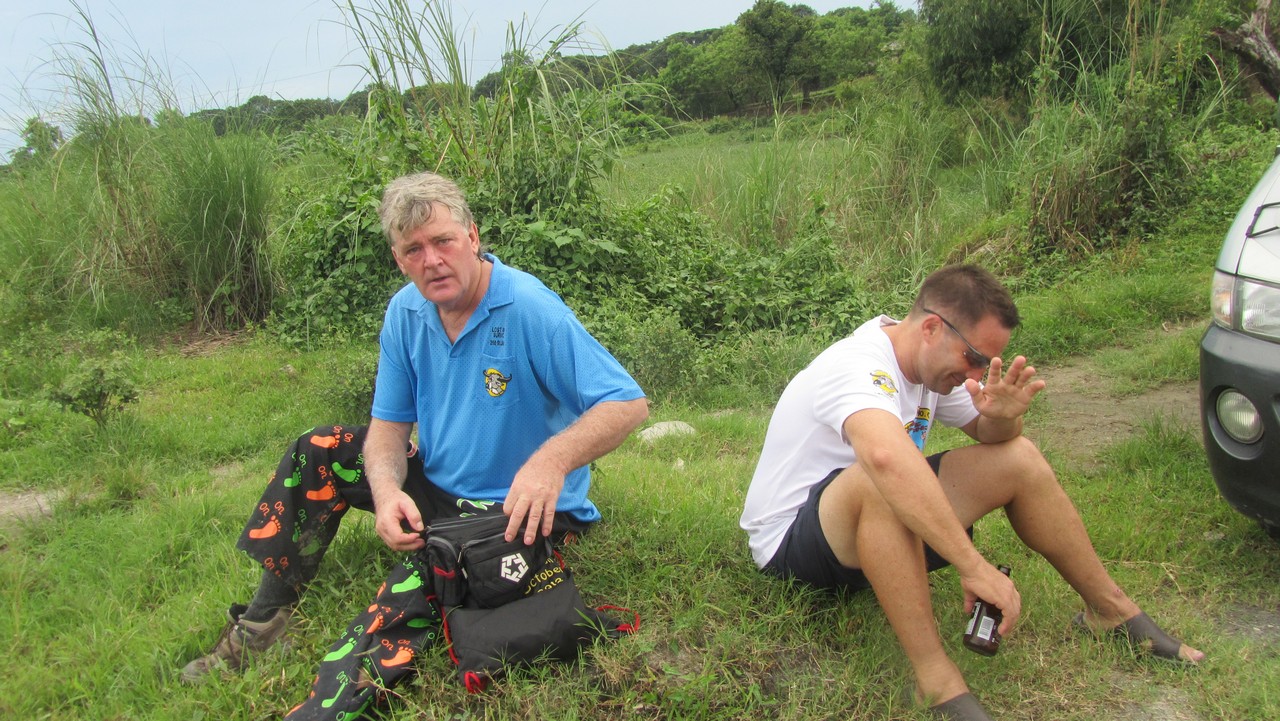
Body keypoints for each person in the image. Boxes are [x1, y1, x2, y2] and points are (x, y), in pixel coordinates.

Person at [180, 171, 648, 718]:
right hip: (440, 483)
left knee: (414, 583)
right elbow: (388, 427)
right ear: (399, 259)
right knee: (319, 447)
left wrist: (550, 462)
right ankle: (264, 622)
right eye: (414, 250)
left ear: (472, 236)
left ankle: (324, 710)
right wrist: (385, 493)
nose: (432, 261)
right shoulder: (406, 312)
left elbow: (626, 403)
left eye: (443, 241)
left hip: (518, 508)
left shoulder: (527, 308)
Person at [739, 265, 1203, 721]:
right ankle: (934, 680)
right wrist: (973, 566)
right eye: (974, 357)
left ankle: (1110, 611)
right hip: (792, 543)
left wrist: (1003, 416)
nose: (976, 374)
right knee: (882, 476)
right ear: (932, 328)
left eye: (986, 363)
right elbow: (884, 460)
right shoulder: (857, 364)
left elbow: (988, 434)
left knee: (1018, 458)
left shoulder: (934, 366)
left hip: (871, 531)